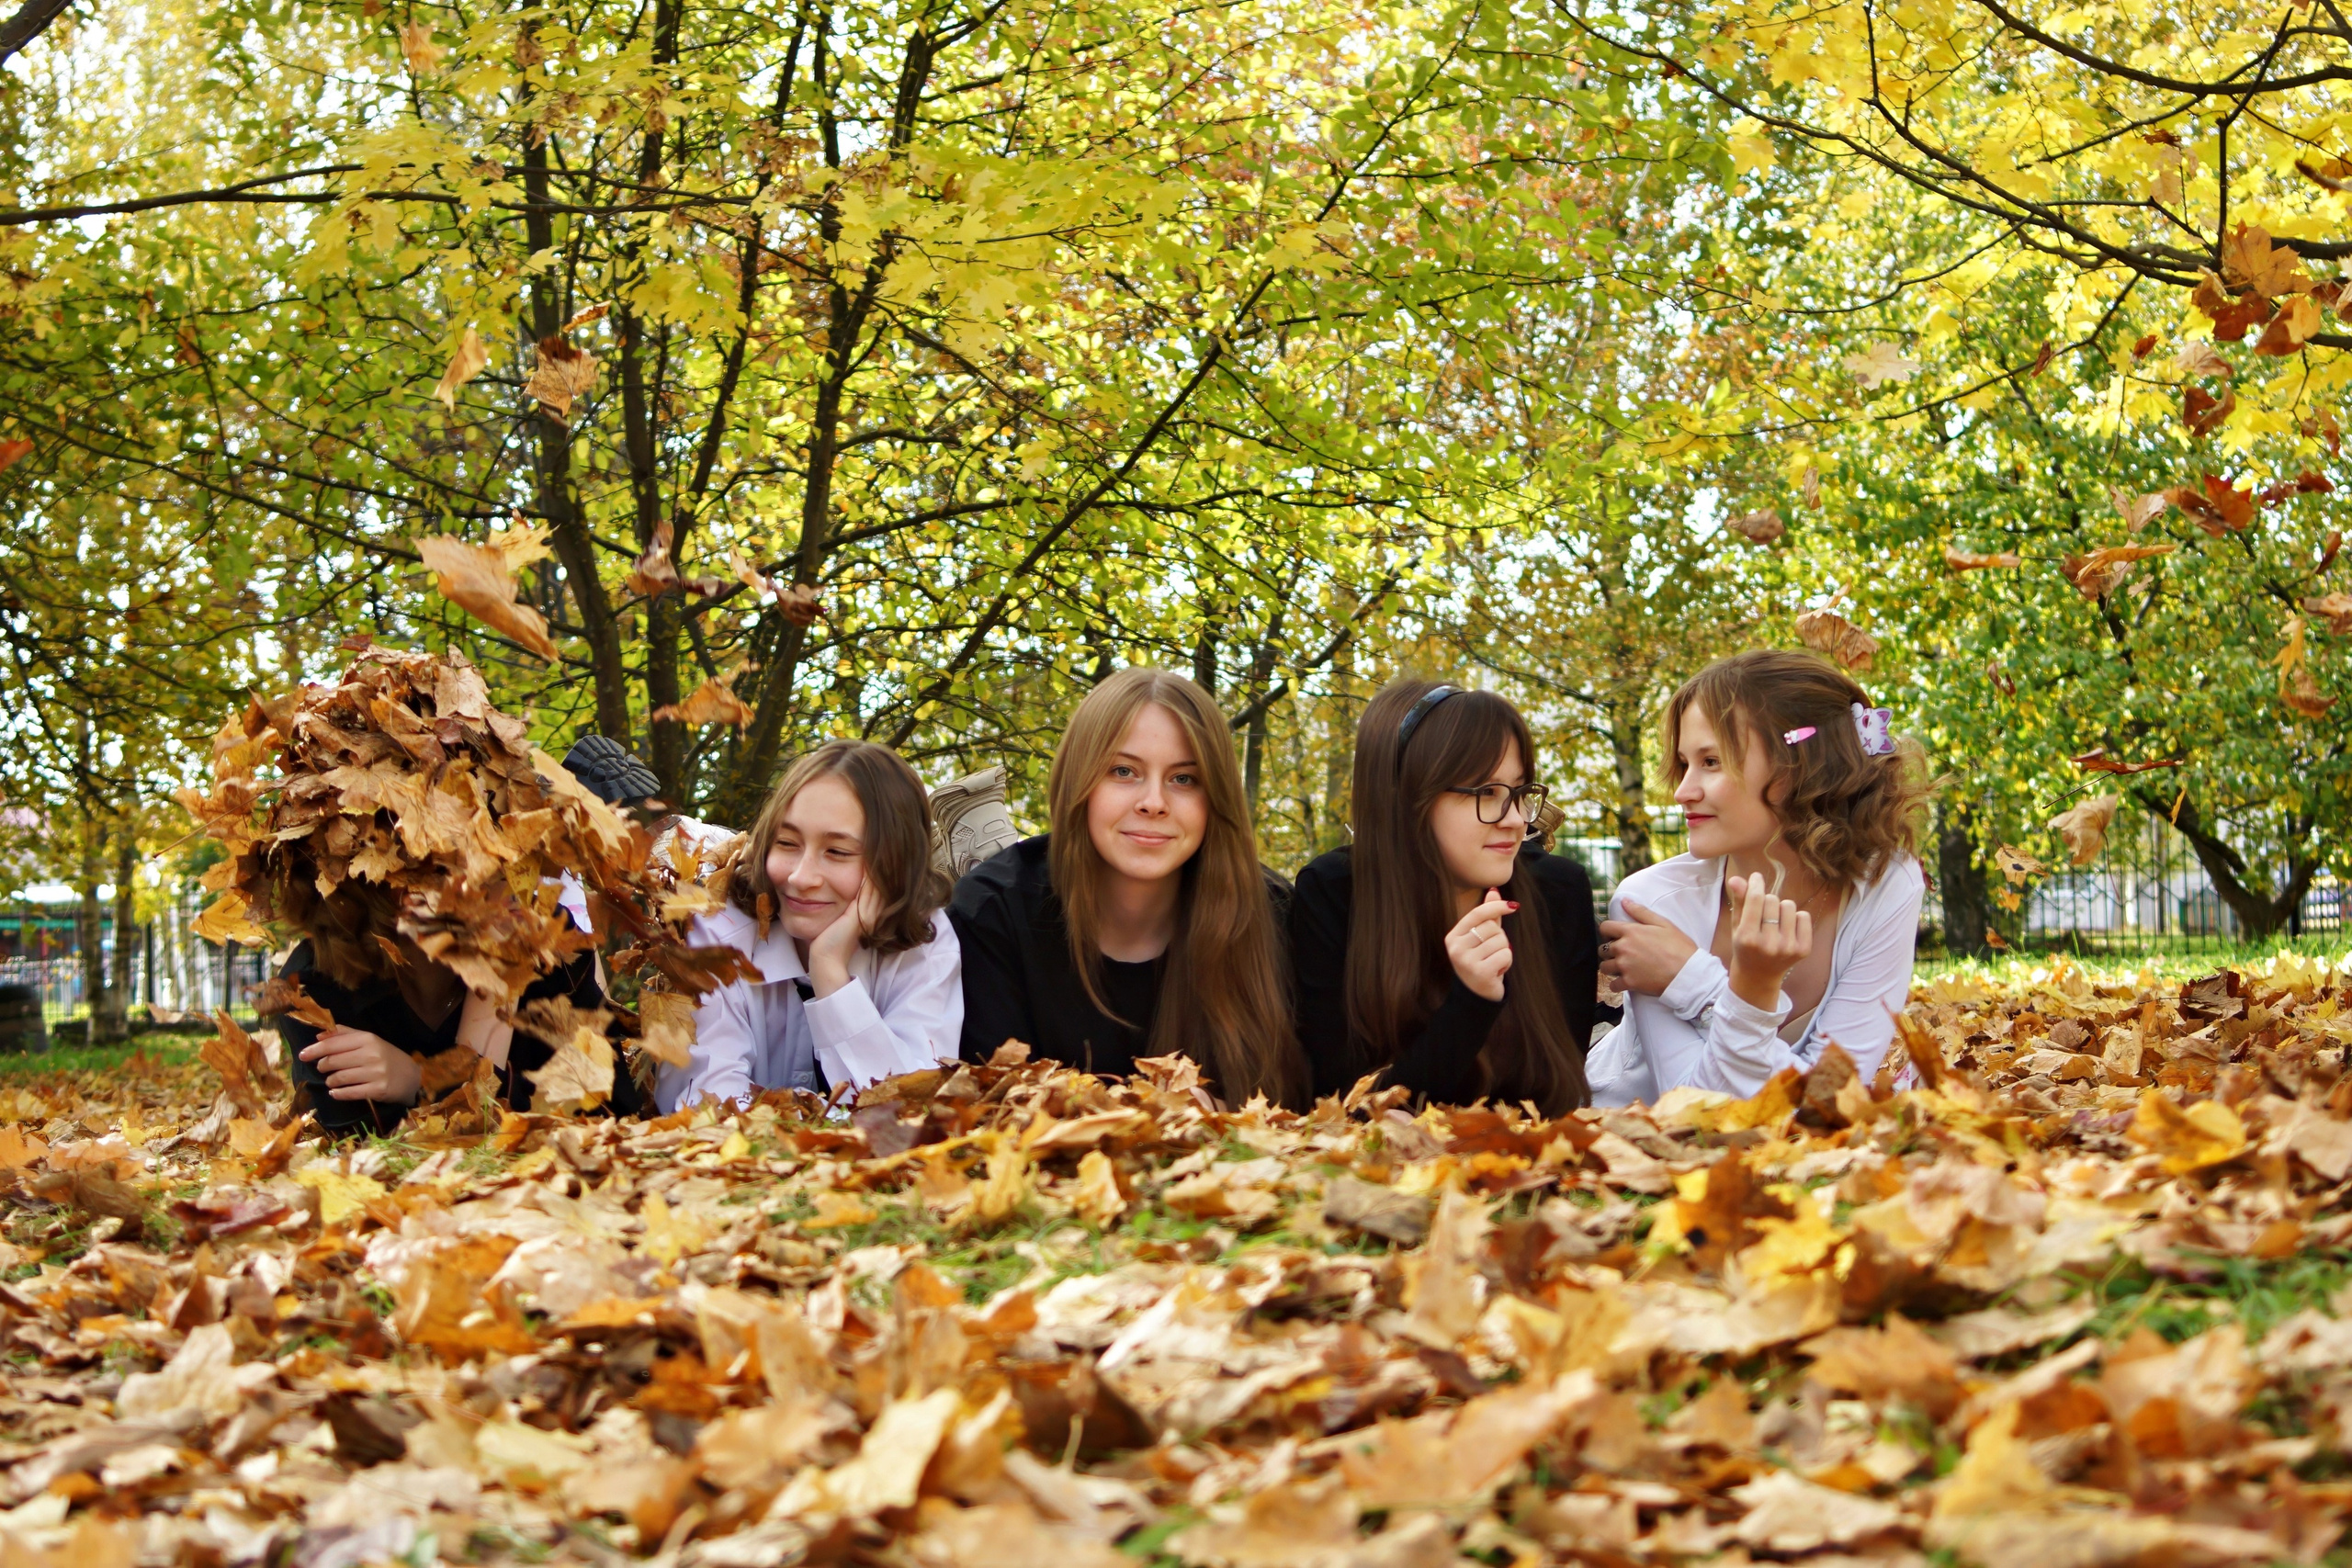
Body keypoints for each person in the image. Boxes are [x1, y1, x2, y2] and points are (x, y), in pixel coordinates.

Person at [1586, 650, 1930, 1105]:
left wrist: (1695, 982)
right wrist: (1747, 993)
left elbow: (1830, 1098)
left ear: (1802, 767)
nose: (1683, 791)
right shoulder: (1651, 902)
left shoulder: (1886, 883)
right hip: (1624, 1143)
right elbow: (1696, 1114)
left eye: (1711, 762)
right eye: (1685, 763)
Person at [950, 668, 1305, 1108]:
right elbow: (992, 1108)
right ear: (1078, 781)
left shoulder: (1272, 915)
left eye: (1184, 779)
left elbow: (1296, 1113)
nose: (1153, 802)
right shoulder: (994, 912)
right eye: (1123, 771)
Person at [1290, 681, 1599, 1113]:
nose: (1514, 820)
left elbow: (1557, 1097)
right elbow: (1344, 1108)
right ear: (1407, 800)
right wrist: (1471, 1003)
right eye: (1486, 793)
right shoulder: (1337, 893)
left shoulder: (1556, 894)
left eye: (1519, 792)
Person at [654, 740, 962, 1111]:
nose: (801, 877)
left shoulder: (925, 942)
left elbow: (912, 1112)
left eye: (837, 852)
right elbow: (701, 1107)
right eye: (787, 843)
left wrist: (830, 973)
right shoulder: (717, 932)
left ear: (895, 864)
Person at [282, 923, 641, 1135]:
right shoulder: (314, 982)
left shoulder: (556, 947)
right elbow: (360, 1166)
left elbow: (611, 1119)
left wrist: (419, 1081)